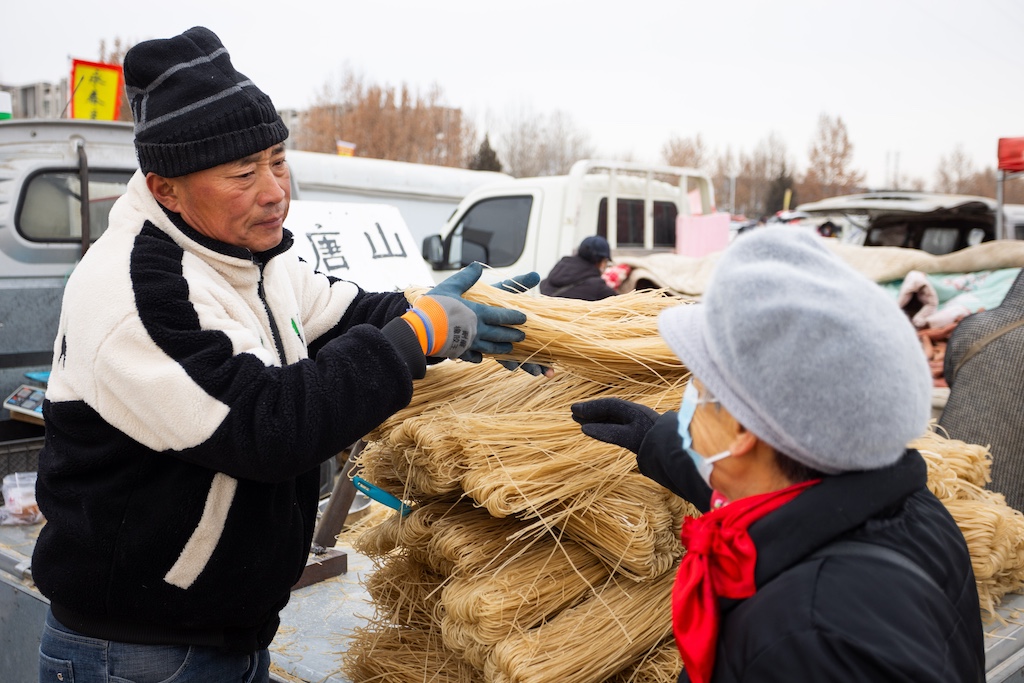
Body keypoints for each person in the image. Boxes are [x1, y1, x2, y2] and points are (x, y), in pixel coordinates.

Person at [32, 26, 539, 683]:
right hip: (137, 653)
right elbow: (266, 426)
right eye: (244, 173)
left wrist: (431, 308)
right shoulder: (136, 294)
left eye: (277, 159)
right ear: (165, 189)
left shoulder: (249, 259)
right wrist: (417, 335)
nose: (275, 189)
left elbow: (342, 313)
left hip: (226, 636)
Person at [571, 229, 984, 682]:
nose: (688, 401)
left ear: (745, 431)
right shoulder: (915, 512)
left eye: (701, 389)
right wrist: (657, 438)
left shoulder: (804, 640)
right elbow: (795, 513)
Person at [539, 234, 618, 300]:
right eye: (605, 261)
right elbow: (622, 305)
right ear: (600, 261)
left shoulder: (557, 271)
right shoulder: (597, 286)